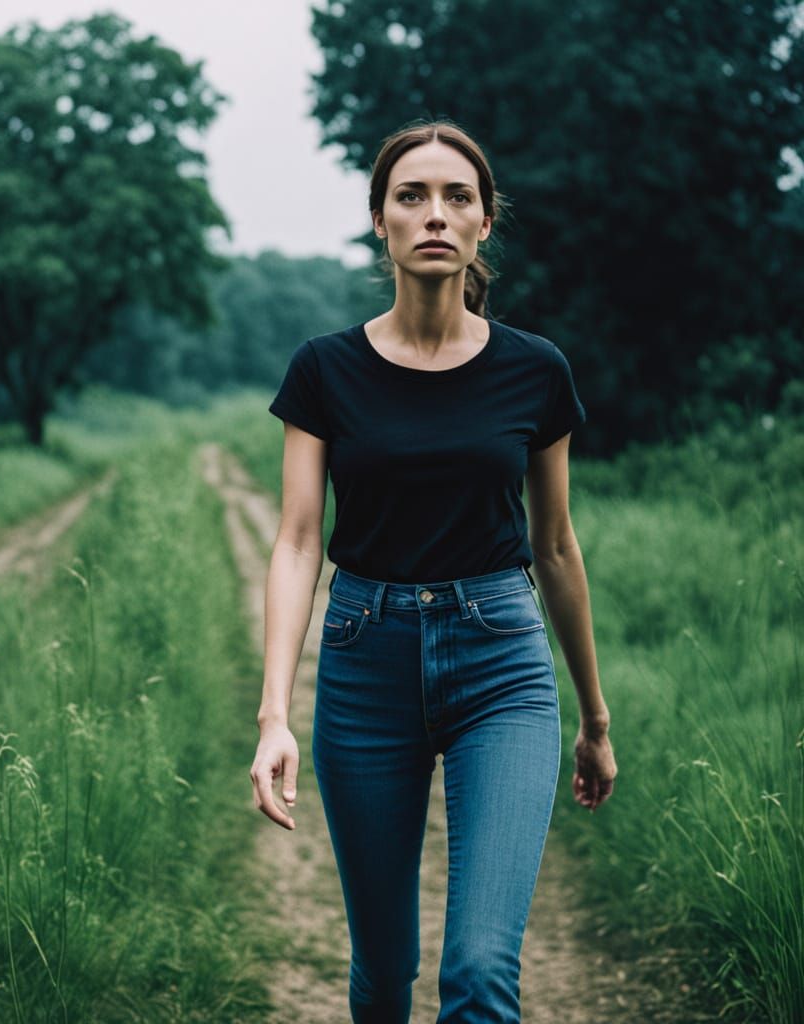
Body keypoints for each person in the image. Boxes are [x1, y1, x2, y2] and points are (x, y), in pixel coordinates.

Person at [250, 118, 617, 1024]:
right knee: (383, 975)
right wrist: (272, 716)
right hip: (364, 664)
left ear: (485, 222)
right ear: (380, 220)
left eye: (458, 197)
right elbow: (299, 540)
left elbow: (557, 547)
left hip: (502, 664)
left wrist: (596, 720)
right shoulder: (325, 370)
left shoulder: (535, 371)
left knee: (482, 973)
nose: (435, 215)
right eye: (411, 196)